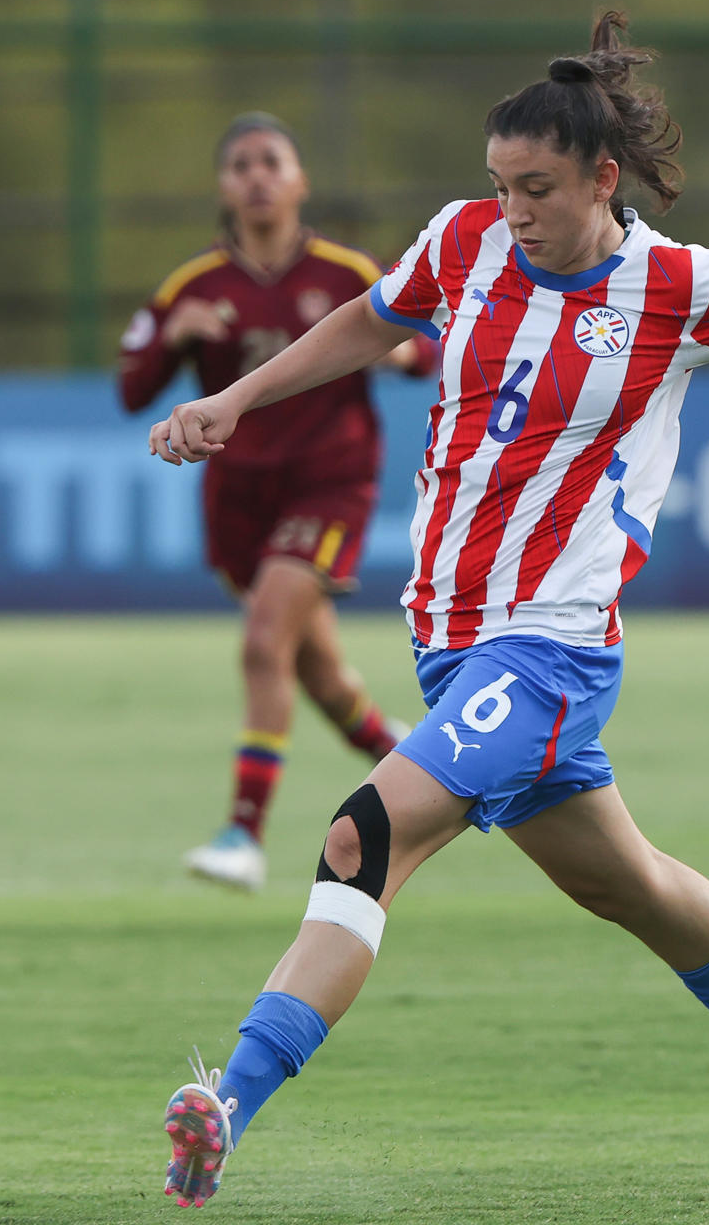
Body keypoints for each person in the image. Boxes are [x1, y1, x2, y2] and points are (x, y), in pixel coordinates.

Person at [145, 11, 709, 1206]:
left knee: (358, 839)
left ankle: (226, 1103)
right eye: (497, 184)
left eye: (534, 187)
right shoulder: (462, 242)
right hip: (451, 638)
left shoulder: (679, 287)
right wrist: (238, 397)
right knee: (629, 884)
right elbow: (373, 316)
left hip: (552, 646)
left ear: (602, 176)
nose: (512, 209)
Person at [118, 113, 436, 892]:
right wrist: (174, 338)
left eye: (271, 161)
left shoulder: (344, 269)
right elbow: (133, 390)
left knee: (265, 642)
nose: (256, 175)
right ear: (223, 187)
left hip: (329, 484)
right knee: (318, 674)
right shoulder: (191, 287)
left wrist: (397, 350)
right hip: (238, 498)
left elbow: (423, 345)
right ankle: (405, 759)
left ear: (299, 181)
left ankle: (242, 835)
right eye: (240, 165)